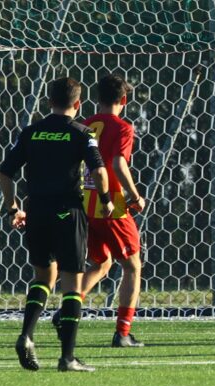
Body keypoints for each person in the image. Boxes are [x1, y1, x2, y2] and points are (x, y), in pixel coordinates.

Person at [0, 77, 114, 372]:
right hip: (68, 211)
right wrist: (105, 199)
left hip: (36, 210)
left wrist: (13, 208)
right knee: (72, 284)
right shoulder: (82, 132)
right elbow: (99, 171)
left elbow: (5, 173)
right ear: (78, 104)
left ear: (49, 102)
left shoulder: (32, 132)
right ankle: (67, 358)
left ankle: (26, 335)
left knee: (43, 278)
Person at [52, 74, 146, 347]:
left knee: (102, 263)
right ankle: (123, 332)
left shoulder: (86, 123)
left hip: (84, 202)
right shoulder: (123, 128)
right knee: (132, 266)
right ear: (124, 100)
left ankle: (65, 311)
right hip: (111, 203)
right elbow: (118, 164)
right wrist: (135, 195)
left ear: (96, 98)